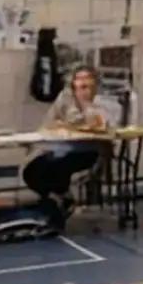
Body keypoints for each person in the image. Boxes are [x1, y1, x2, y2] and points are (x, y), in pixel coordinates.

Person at [22, 65, 119, 228]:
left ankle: (61, 201)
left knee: (57, 166)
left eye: (86, 85)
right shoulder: (65, 97)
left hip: (89, 149)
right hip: (61, 145)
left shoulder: (104, 102)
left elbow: (97, 124)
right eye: (78, 84)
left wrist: (85, 106)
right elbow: (53, 121)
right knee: (33, 169)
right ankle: (58, 200)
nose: (81, 89)